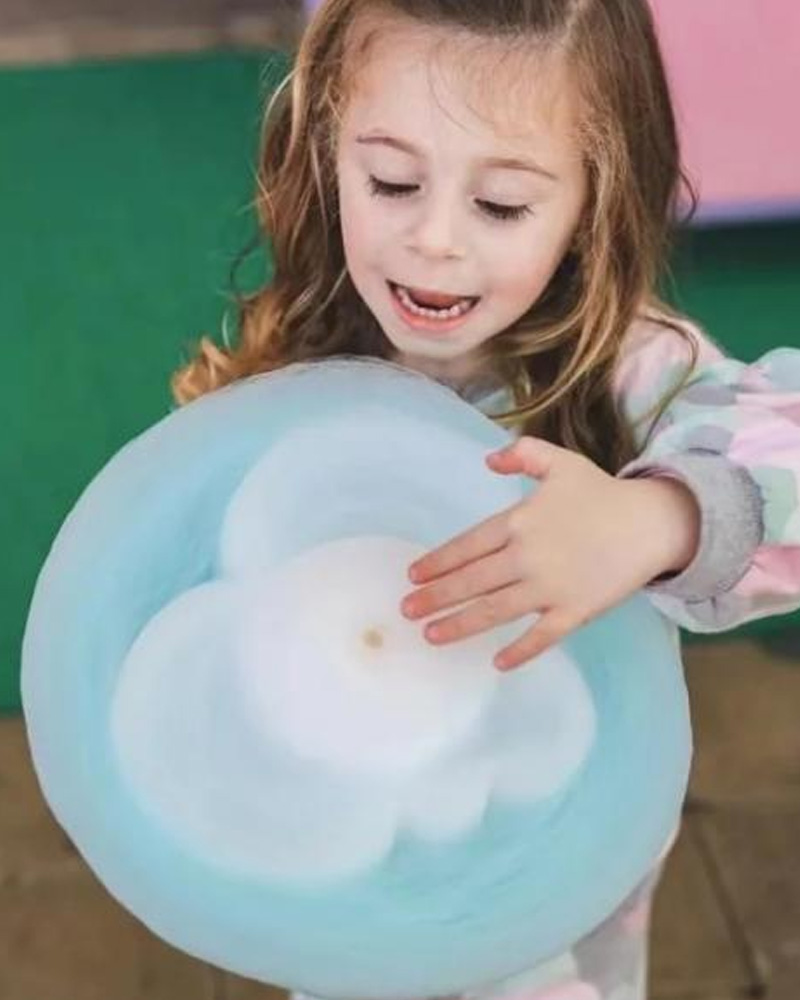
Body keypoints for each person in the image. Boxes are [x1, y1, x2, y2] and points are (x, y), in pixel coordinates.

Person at [170, 1, 800, 997]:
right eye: (390, 180)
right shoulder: (302, 366)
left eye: (500, 204)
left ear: (594, 197)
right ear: (322, 146)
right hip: (361, 888)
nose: (431, 240)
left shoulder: (632, 374)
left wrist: (655, 518)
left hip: (553, 897)